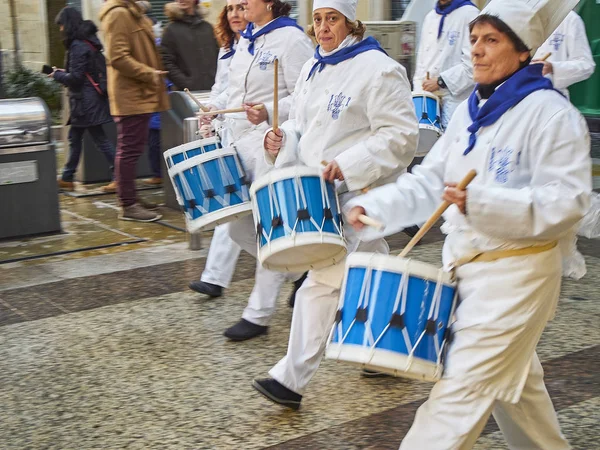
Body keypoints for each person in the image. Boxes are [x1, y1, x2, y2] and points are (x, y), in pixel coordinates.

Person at [344, 0, 591, 447]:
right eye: (474, 39)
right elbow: (431, 183)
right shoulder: (469, 111)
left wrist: (481, 202)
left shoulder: (554, 115)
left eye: (490, 40)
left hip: (519, 276)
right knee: (518, 392)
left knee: (458, 395)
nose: (475, 50)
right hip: (464, 267)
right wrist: (378, 209)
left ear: (522, 53)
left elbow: (568, 203)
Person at [251, 0, 418, 410]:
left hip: (360, 194)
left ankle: (291, 379)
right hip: (321, 194)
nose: (323, 27)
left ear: (350, 22)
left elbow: (401, 137)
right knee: (370, 267)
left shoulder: (380, 69)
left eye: (332, 19)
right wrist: (282, 139)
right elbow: (303, 125)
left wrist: (349, 165)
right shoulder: (314, 65)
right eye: (318, 19)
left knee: (323, 281)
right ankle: (384, 357)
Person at [209, 0, 314, 341]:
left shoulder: (291, 38)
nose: (240, 7)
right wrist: (215, 109)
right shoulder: (247, 39)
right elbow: (234, 89)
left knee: (270, 228)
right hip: (240, 144)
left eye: (246, 1)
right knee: (237, 227)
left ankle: (259, 313)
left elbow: (306, 96)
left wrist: (268, 111)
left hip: (275, 146)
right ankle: (300, 271)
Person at [188, 0, 247, 299]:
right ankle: (214, 277)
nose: (236, 14)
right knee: (232, 206)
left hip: (257, 137)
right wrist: (210, 109)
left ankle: (299, 271)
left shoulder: (262, 45)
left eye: (241, 7)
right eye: (231, 9)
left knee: (241, 209)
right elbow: (221, 88)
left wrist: (219, 106)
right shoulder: (227, 48)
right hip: (231, 134)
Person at [100, 0, 169, 222]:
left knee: (133, 147)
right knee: (129, 149)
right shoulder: (119, 14)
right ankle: (128, 204)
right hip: (131, 94)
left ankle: (132, 198)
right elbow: (118, 57)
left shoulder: (133, 13)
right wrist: (149, 73)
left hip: (140, 92)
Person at [51, 7, 116, 194]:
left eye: (62, 25)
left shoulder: (78, 45)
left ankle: (119, 176)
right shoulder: (87, 42)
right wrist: (62, 73)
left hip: (85, 102)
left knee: (99, 139)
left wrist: (56, 75)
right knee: (75, 138)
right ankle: (67, 177)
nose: (61, 29)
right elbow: (81, 73)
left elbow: (76, 78)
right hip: (87, 100)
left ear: (68, 24)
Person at [413, 0, 479, 128]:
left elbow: (473, 63)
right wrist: (419, 92)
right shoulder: (430, 16)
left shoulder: (470, 14)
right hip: (428, 98)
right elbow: (421, 60)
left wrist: (440, 81)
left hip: (456, 98)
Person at [533, 9, 596, 98]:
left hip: (551, 98)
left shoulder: (569, 19)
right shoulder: (517, 16)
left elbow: (586, 65)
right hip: (515, 98)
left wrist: (553, 68)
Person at [160, 0, 219, 92]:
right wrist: (187, 83)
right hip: (186, 93)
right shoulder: (171, 30)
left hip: (214, 91)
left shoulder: (208, 28)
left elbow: (219, 57)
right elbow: (166, 62)